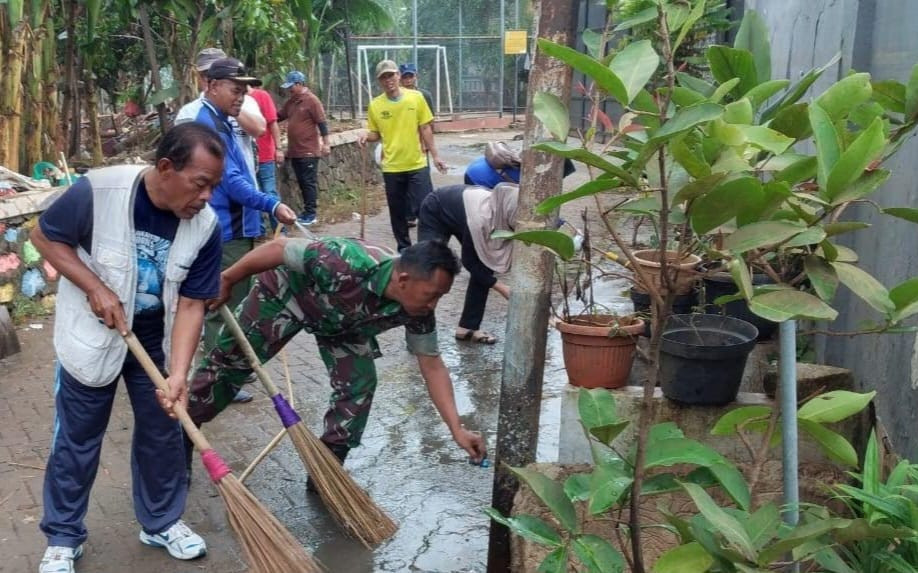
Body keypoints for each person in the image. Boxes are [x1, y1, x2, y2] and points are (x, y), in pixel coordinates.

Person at [32, 123, 226, 573]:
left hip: (154, 343)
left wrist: (178, 373)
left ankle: (160, 522)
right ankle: (63, 536)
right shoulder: (99, 190)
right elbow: (45, 237)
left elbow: (195, 303)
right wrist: (93, 286)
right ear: (165, 168)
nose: (207, 197)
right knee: (77, 441)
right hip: (92, 340)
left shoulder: (206, 226)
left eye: (214, 187)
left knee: (163, 435)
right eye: (201, 184)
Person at [181, 238, 487, 490]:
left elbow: (432, 365)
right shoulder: (344, 260)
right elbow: (278, 248)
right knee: (228, 366)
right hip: (289, 295)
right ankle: (180, 440)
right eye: (432, 295)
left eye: (440, 297)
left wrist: (456, 429)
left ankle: (325, 474)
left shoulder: (418, 311)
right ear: (404, 279)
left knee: (360, 386)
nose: (433, 305)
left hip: (343, 326)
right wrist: (228, 278)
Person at [176, 57, 297, 367]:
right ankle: (217, 373)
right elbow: (229, 181)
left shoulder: (221, 119)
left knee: (231, 297)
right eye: (235, 89)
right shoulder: (206, 123)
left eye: (245, 91)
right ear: (212, 85)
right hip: (225, 225)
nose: (241, 97)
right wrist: (271, 204)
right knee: (223, 300)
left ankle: (225, 365)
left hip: (237, 223)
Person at [358, 60, 447, 252]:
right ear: (378, 81)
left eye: (391, 75)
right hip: (392, 166)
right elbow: (376, 133)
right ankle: (404, 250)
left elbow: (425, 127)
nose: (388, 80)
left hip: (417, 163)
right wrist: (366, 135)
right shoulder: (375, 105)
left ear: (398, 75)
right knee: (398, 213)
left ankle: (427, 249)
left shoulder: (416, 98)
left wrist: (436, 156)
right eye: (384, 77)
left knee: (426, 208)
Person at [419, 183, 517, 344]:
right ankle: (419, 333)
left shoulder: (503, 212)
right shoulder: (482, 220)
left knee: (484, 264)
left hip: (463, 214)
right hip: (436, 208)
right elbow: (469, 262)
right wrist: (501, 287)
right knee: (430, 268)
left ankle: (468, 327)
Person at [176, 47, 266, 185]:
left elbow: (259, 129)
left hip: (246, 185)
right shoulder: (189, 113)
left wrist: (232, 104)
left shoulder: (246, 102)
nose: (211, 78)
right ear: (200, 77)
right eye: (206, 74)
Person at [278, 70, 331, 226]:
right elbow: (279, 115)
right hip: (295, 151)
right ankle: (307, 211)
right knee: (302, 181)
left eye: (291, 87)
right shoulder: (292, 102)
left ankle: (311, 213)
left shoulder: (312, 101)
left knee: (308, 182)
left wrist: (326, 143)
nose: (289, 90)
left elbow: (322, 123)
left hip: (308, 150)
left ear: (299, 84)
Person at [398, 62, 436, 229]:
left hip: (420, 144)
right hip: (401, 145)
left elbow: (429, 122)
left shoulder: (424, 95)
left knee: (422, 181)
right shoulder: (396, 96)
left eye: (410, 76)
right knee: (404, 183)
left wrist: (427, 144)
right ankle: (408, 215)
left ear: (415, 77)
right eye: (405, 77)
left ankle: (429, 214)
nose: (408, 80)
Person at [248, 84, 283, 232]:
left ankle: (279, 229)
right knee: (253, 193)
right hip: (247, 159)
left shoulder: (262, 96)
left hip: (265, 155)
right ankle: (259, 230)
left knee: (269, 191)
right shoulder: (233, 101)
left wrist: (278, 148)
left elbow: (273, 123)